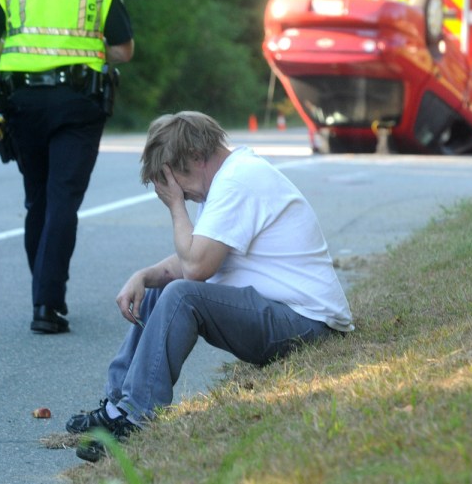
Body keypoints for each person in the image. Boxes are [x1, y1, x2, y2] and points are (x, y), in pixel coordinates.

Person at [66, 111, 354, 462]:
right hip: (282, 314)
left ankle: (138, 415)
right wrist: (144, 276)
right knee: (163, 285)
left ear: (198, 158)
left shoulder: (237, 182)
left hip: (307, 324)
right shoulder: (227, 179)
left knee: (182, 293)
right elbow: (194, 258)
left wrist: (175, 209)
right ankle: (116, 407)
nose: (183, 195)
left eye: (179, 182)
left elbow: (196, 266)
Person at [0, 0, 134, 334]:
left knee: (37, 198)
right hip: (79, 104)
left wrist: (20, 53)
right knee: (63, 200)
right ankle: (47, 304)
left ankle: (44, 295)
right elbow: (123, 50)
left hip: (21, 103)